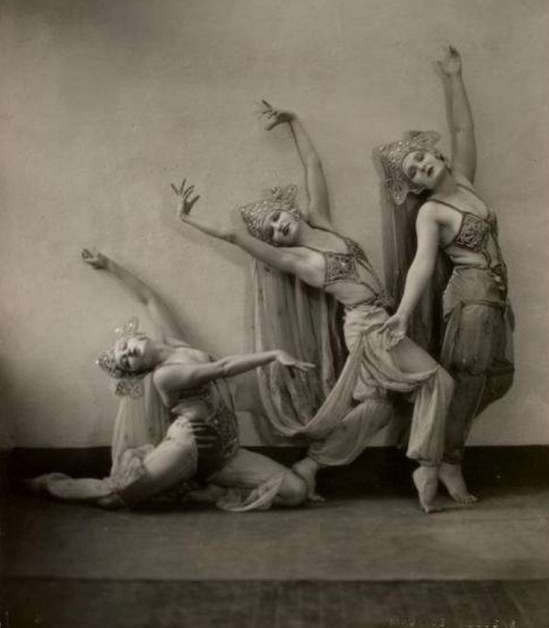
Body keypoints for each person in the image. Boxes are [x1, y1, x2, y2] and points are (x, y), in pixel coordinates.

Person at [173, 102, 454, 513]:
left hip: (377, 321)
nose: (278, 226)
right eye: (271, 230)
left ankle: (309, 467)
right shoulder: (297, 260)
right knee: (439, 381)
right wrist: (187, 219)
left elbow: (313, 164)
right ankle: (428, 466)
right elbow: (234, 236)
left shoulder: (323, 222)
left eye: (277, 217)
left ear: (290, 209)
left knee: (376, 408)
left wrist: (294, 121)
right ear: (276, 244)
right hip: (369, 329)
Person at [26, 249, 311, 511]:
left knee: (295, 491)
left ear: (137, 336)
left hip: (224, 455)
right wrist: (273, 354)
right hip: (186, 448)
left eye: (124, 347)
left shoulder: (177, 344)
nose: (127, 353)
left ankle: (212, 489)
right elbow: (223, 368)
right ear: (137, 371)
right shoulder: (165, 376)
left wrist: (109, 264)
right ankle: (48, 485)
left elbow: (148, 298)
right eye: (126, 361)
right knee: (113, 497)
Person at [378, 46, 514, 504]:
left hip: (495, 297)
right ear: (414, 185)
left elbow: (463, 130)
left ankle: (434, 456)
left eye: (421, 156)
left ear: (433, 151)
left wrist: (455, 77)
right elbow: (422, 263)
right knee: (468, 380)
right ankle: (446, 463)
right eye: (414, 170)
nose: (422, 165)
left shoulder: (465, 181)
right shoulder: (431, 211)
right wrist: (403, 313)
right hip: (471, 298)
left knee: (497, 378)